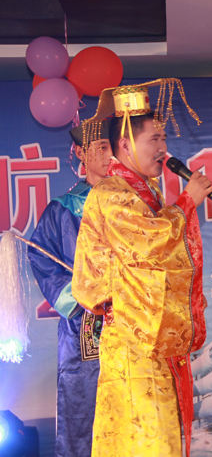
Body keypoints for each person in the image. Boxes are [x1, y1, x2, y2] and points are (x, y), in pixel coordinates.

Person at [72, 79, 212, 457]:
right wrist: (187, 202)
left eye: (164, 138)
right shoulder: (111, 193)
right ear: (125, 145)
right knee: (147, 441)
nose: (163, 148)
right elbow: (148, 243)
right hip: (133, 341)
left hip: (154, 338)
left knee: (161, 439)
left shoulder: (147, 193)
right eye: (154, 139)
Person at [27, 122, 112, 457]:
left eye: (111, 147)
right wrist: (77, 301)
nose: (108, 155)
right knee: (85, 403)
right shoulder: (63, 208)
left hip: (132, 317)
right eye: (100, 147)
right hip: (85, 324)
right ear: (80, 152)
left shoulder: (132, 202)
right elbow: (40, 256)